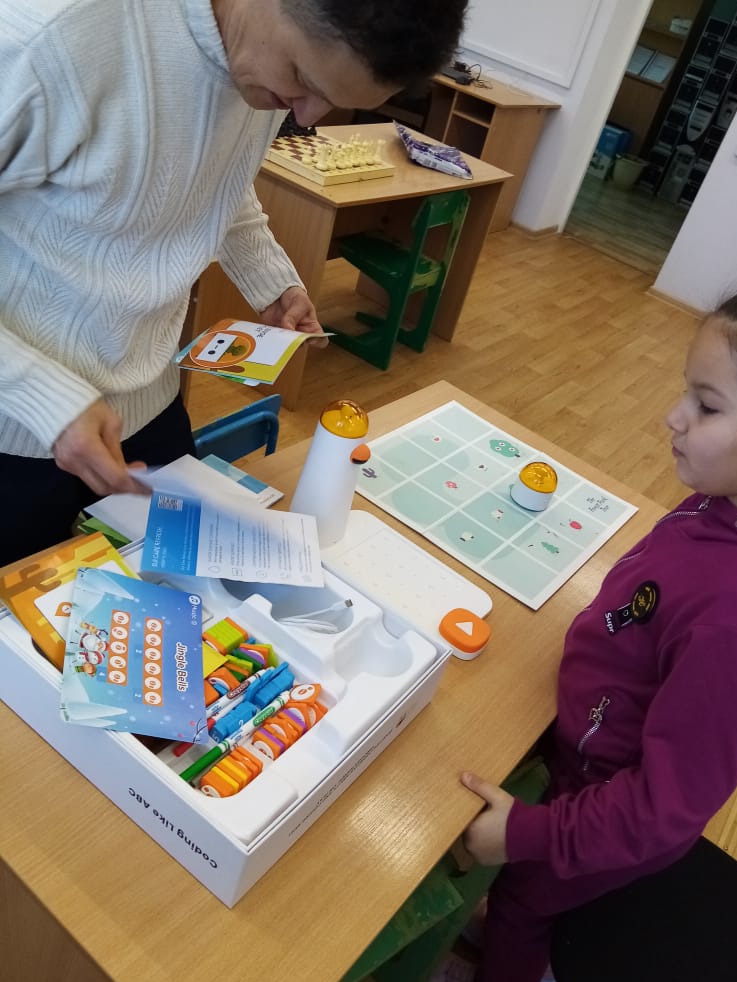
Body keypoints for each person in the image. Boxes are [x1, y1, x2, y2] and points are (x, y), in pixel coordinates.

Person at [420, 281, 737, 982]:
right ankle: (547, 946)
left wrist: (530, 837)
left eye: (707, 406)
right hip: (587, 755)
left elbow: (663, 806)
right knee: (545, 897)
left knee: (523, 899)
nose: (674, 416)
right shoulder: (726, 496)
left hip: (600, 802)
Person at [0, 0, 467, 564]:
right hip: (15, 423)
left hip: (147, 395)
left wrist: (272, 280)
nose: (308, 116)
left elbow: (216, 176)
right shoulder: (45, 41)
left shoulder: (262, 63)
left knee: (171, 583)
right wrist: (42, 397)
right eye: (303, 79)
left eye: (336, 100)